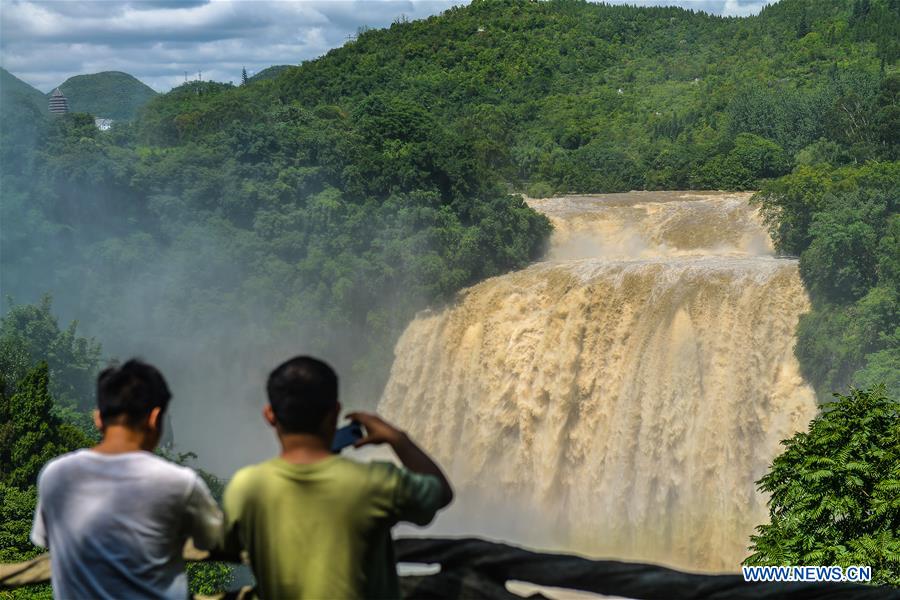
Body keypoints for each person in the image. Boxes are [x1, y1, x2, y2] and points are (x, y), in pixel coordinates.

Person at [223, 355, 453, 599]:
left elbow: (224, 547)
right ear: (335, 413)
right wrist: (397, 438)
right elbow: (441, 493)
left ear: (270, 415)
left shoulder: (246, 487)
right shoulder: (376, 482)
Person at [30, 359, 223, 599]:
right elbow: (213, 540)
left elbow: (45, 540)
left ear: (98, 418)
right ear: (155, 418)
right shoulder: (179, 483)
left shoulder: (56, 475)